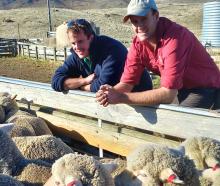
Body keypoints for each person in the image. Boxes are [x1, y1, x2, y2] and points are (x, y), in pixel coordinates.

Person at [96, 0, 220, 109]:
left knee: (178, 125)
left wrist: (121, 98)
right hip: (179, 88)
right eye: (134, 21)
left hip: (205, 88)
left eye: (144, 19)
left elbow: (167, 94)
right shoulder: (138, 44)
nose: (139, 26)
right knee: (163, 116)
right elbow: (127, 83)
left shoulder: (174, 39)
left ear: (156, 16)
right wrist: (110, 93)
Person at [52, 19, 152, 93]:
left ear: (90, 38)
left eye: (80, 41)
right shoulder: (77, 55)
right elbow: (56, 81)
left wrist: (81, 87)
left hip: (139, 95)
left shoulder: (111, 50)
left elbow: (104, 85)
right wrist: (84, 81)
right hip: (114, 100)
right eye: (73, 43)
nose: (76, 47)